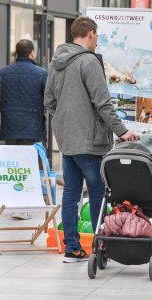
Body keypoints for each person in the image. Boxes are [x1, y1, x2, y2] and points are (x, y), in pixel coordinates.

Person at [44, 17, 138, 263]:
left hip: (67, 141)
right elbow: (103, 103)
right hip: (91, 142)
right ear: (90, 34)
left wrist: (66, 121)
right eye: (96, 37)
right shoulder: (89, 61)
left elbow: (49, 102)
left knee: (71, 194)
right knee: (97, 191)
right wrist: (122, 132)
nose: (97, 41)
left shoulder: (56, 63)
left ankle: (72, 249)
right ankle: (101, 248)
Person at [0, 39, 48, 220]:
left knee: (13, 168)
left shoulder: (2, 73)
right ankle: (26, 206)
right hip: (32, 128)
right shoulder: (42, 74)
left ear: (17, 53)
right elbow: (48, 100)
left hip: (10, 128)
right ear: (32, 53)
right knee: (31, 168)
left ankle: (11, 202)